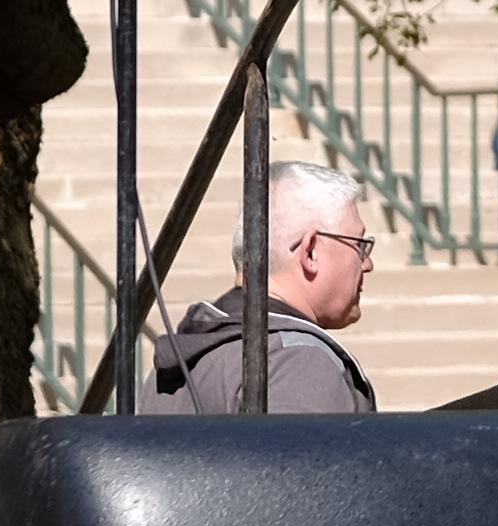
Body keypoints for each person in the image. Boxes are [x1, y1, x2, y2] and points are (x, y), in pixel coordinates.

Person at [152, 161, 384, 416]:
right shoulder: (298, 363)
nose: (368, 264)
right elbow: (307, 457)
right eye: (359, 245)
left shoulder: (183, 358)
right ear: (310, 252)